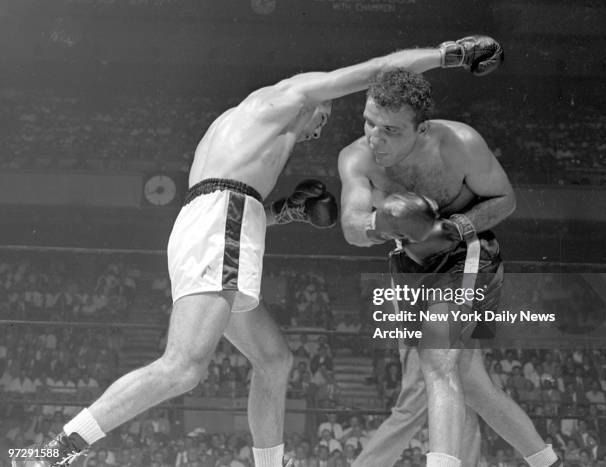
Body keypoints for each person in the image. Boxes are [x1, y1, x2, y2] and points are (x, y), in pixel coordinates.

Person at [13, 36, 502, 467]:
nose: (316, 131)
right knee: (183, 367)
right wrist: (449, 54)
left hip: (219, 221)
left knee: (274, 360)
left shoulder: (237, 130)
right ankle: (52, 451)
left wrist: (284, 211)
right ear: (310, 97)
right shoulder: (289, 95)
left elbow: (228, 202)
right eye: (323, 117)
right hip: (219, 222)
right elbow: (379, 72)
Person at [339, 68, 560, 467]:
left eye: (391, 130)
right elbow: (353, 227)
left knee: (435, 358)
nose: (375, 138)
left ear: (421, 129)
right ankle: (549, 463)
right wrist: (384, 223)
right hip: (407, 262)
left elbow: (504, 200)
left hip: (468, 249)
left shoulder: (459, 143)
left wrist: (453, 228)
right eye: (369, 122)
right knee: (473, 385)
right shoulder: (356, 157)